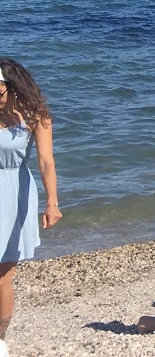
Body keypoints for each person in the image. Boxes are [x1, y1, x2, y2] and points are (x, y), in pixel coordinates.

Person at [0, 59, 60, 353]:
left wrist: (52, 203)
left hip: (12, 194)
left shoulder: (35, 115)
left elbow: (46, 162)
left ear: (12, 87)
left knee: (2, 276)